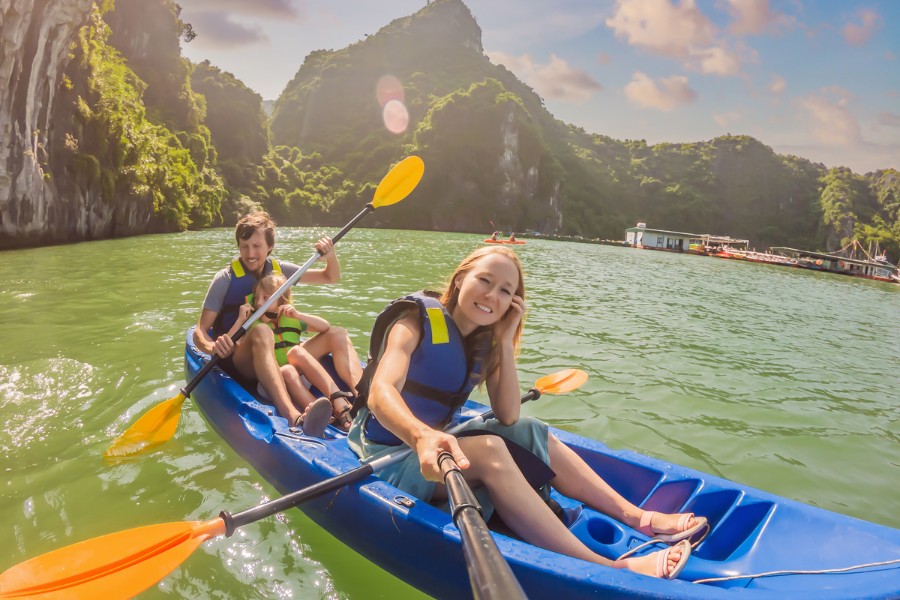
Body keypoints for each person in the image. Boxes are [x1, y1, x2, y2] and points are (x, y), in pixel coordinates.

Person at [348, 246, 706, 579]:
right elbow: (381, 392)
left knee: (531, 429)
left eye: (506, 291)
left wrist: (504, 341)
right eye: (485, 281)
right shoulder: (414, 321)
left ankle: (637, 517)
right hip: (391, 452)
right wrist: (421, 436)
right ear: (460, 279)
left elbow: (507, 415)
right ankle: (610, 567)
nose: (492, 296)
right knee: (491, 450)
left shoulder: (484, 344)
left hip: (440, 445)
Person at [194, 211, 362, 430]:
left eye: (256, 246)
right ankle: (291, 415)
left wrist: (330, 256)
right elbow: (200, 331)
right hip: (241, 358)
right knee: (262, 331)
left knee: (337, 333)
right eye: (244, 246)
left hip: (281, 354)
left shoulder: (280, 271)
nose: (250, 253)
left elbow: (330, 277)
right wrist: (211, 346)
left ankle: (365, 396)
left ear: (269, 247)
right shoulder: (225, 279)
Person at [229, 273, 359, 434]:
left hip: (298, 374)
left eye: (266, 298)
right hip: (272, 383)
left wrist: (298, 315)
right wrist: (241, 320)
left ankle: (340, 403)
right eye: (256, 299)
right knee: (288, 371)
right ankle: (326, 419)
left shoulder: (290, 317)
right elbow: (231, 344)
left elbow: (325, 327)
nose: (259, 303)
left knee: (297, 352)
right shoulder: (252, 325)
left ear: (281, 301)